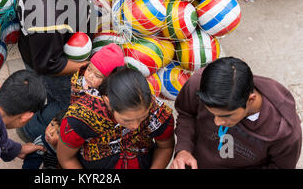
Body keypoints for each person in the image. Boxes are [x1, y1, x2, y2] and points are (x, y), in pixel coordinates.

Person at [16, 0, 109, 143]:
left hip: (48, 43)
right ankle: (30, 130)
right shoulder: (46, 17)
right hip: (52, 61)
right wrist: (89, 66)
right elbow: (48, 65)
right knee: (65, 102)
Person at [171, 57, 302, 169]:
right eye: (212, 113)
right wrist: (183, 149)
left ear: (251, 99)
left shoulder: (286, 134)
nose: (217, 122)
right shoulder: (199, 84)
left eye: (226, 115)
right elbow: (186, 114)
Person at [57, 67, 175, 169]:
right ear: (108, 102)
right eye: (127, 120)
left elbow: (165, 147)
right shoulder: (81, 118)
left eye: (142, 118)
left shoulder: (157, 112)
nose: (135, 126)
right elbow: (67, 158)